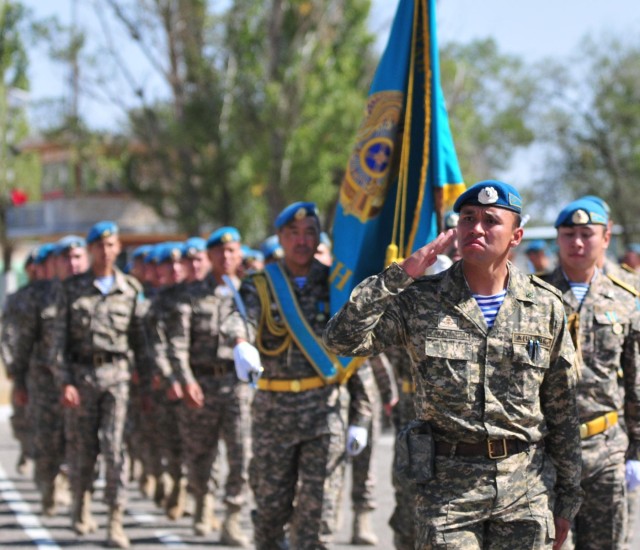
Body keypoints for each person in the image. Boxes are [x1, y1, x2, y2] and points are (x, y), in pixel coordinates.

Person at [323, 181, 584, 550]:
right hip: (448, 491)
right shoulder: (420, 300)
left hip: (525, 488)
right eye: (467, 218)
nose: (476, 227)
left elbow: (562, 410)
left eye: (490, 220)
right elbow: (340, 339)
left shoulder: (546, 306)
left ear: (516, 236)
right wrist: (400, 274)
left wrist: (568, 498)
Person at [221, 202, 374, 549]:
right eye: (294, 233)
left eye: (310, 233)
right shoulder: (260, 283)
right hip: (273, 414)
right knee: (271, 512)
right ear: (280, 237)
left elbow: (354, 351)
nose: (302, 241)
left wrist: (361, 416)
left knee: (318, 514)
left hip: (325, 411)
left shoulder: (336, 282)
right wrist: (240, 341)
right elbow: (239, 315)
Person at [541, 198, 640, 550]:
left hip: (606, 448)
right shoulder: (534, 296)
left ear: (606, 237)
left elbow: (636, 382)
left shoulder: (627, 300)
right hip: (547, 451)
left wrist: (636, 452)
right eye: (568, 234)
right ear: (558, 238)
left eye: (587, 234)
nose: (578, 243)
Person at [54, 221, 151, 549]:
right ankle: (81, 500)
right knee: (84, 449)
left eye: (111, 245)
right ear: (91, 249)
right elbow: (59, 343)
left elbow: (141, 340)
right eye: (99, 246)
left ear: (118, 248)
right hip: (82, 379)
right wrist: (65, 382)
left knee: (114, 448)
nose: (105, 251)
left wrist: (147, 382)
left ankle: (114, 518)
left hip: (118, 379)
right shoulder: (71, 290)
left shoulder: (131, 289)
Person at [164, 227, 251, 545]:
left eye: (232, 251)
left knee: (241, 452)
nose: (227, 257)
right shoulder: (190, 293)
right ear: (210, 256)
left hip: (238, 384)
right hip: (202, 382)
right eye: (220, 252)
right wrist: (185, 380)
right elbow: (177, 343)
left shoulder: (250, 293)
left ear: (239, 254)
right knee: (201, 452)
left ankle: (232, 517)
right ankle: (202, 501)